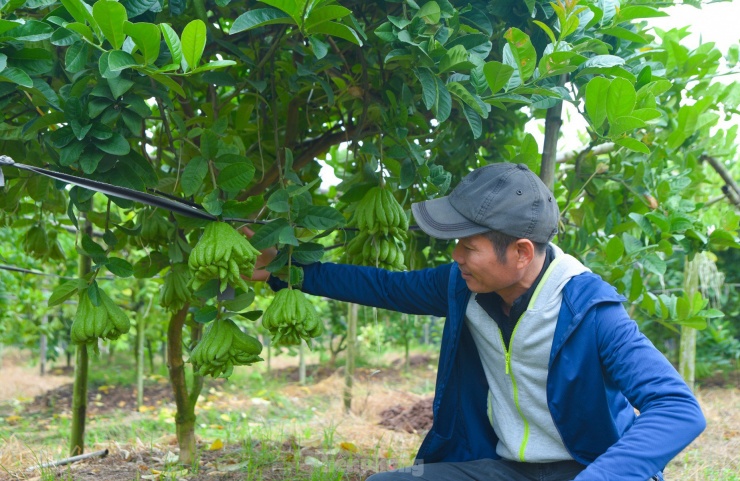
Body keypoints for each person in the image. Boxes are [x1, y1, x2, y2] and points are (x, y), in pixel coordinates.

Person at [247, 162, 706, 481]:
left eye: (468, 246)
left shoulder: (590, 312)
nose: (456, 257)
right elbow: (384, 287)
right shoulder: (462, 287)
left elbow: (678, 409)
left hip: (587, 468)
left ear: (522, 252)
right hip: (507, 470)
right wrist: (286, 270)